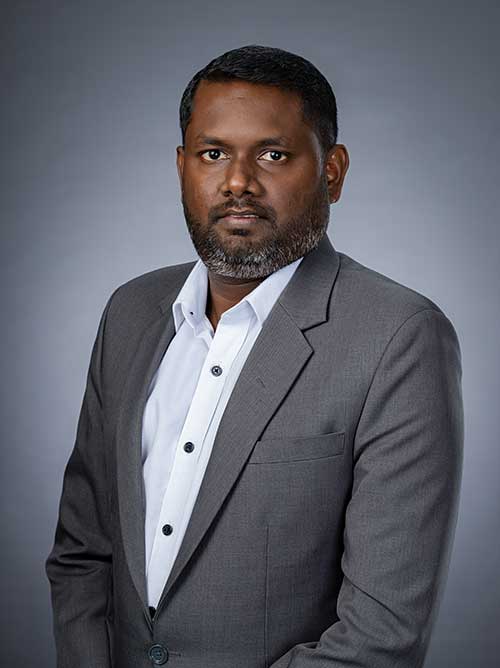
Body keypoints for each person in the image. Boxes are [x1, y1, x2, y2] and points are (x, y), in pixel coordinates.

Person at [45, 44, 464, 668]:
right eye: (213, 154)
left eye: (272, 154)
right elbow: (82, 552)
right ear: (182, 167)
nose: (238, 181)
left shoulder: (399, 336)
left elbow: (381, 636)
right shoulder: (130, 312)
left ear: (332, 172)